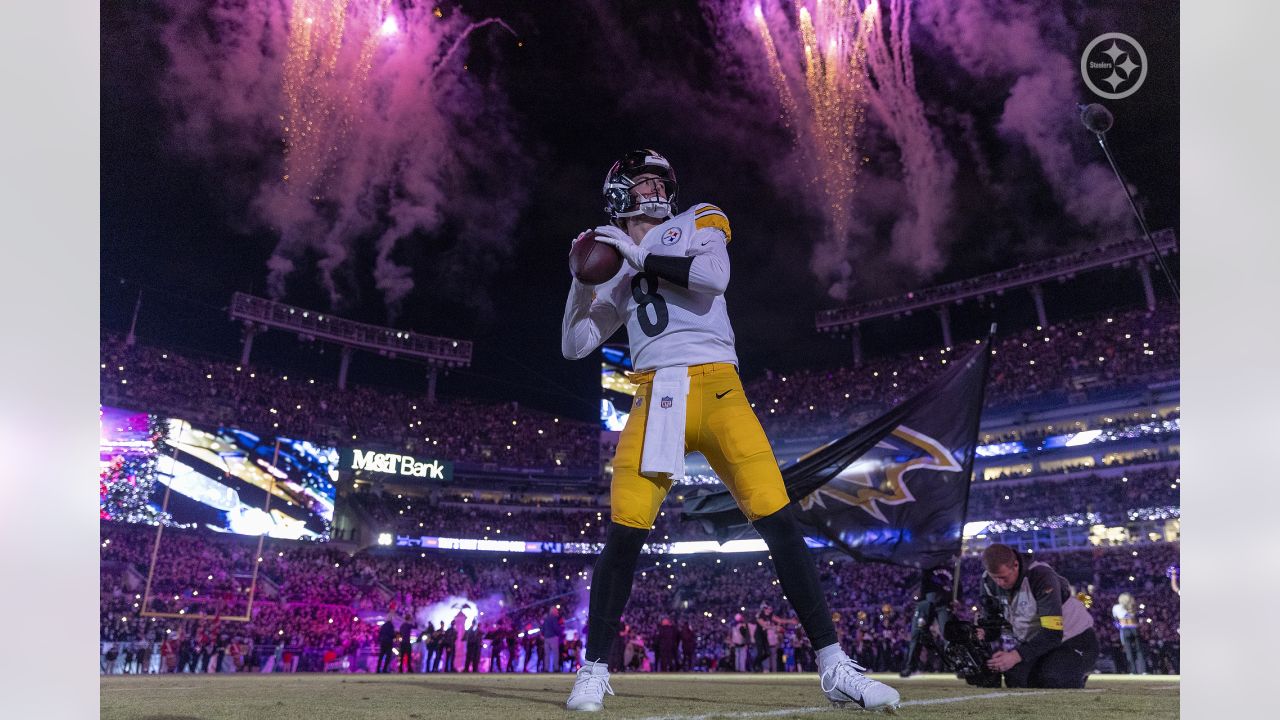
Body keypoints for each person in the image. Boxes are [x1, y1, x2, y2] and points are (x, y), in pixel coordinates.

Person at [561, 150, 900, 712]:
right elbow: (574, 345)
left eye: (657, 182)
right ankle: (593, 672)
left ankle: (835, 665)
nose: (654, 191)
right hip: (652, 394)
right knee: (624, 532)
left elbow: (713, 279)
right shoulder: (617, 260)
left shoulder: (698, 219)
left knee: (780, 521)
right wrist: (581, 280)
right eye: (643, 183)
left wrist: (640, 256)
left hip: (719, 389)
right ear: (619, 194)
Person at [978, 544, 1099, 688]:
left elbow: (1052, 633)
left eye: (1003, 577)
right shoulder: (987, 582)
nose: (999, 583)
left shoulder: (1041, 576)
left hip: (1075, 639)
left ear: (1015, 565)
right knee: (1015, 680)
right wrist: (983, 633)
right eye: (995, 578)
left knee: (1052, 679)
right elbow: (993, 625)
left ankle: (1075, 672)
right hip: (1039, 644)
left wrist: (1015, 656)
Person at [901, 565, 955, 677]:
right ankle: (910, 667)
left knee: (949, 634)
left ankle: (956, 665)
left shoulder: (952, 567)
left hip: (944, 604)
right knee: (917, 634)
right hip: (925, 603)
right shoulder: (927, 565)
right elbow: (915, 584)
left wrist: (958, 598)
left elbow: (958, 585)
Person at [1112, 593, 1147, 674]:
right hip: (1134, 628)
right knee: (1139, 650)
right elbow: (1140, 617)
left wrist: (1119, 625)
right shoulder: (1134, 606)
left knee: (1129, 651)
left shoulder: (1116, 607)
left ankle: (1133, 671)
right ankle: (1143, 671)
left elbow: (1115, 618)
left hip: (1125, 629)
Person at [542, 607, 565, 673]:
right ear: (554, 612)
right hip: (553, 637)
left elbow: (542, 628)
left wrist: (544, 635)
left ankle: (546, 668)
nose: (557, 612)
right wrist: (559, 633)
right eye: (556, 611)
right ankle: (556, 668)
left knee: (547, 654)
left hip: (546, 638)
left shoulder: (546, 618)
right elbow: (556, 627)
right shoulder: (554, 618)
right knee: (555, 653)